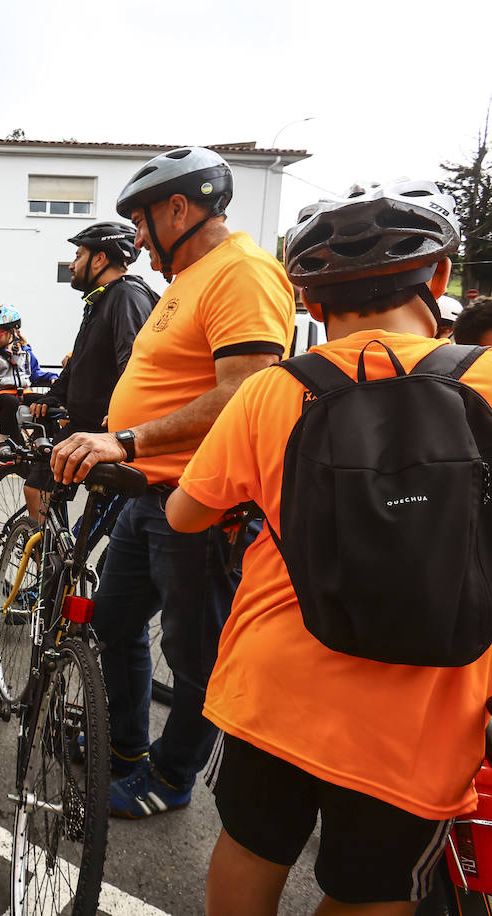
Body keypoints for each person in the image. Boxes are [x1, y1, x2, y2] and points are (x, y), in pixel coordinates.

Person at [167, 180, 485, 914]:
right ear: (438, 278)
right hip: (427, 706)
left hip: (277, 688)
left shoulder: (271, 392)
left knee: (252, 846)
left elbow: (186, 515)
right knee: (372, 890)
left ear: (312, 304)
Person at [49, 146, 295, 818]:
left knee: (195, 656)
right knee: (114, 624)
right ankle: (126, 748)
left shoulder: (241, 271)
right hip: (144, 495)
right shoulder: (187, 276)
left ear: (179, 208)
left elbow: (246, 390)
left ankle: (171, 775)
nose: (136, 238)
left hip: (196, 502)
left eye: (139, 221)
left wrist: (125, 438)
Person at [23, 221, 157, 513]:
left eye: (78, 255)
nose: (72, 265)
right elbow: (79, 361)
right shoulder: (99, 300)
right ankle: (53, 556)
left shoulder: (126, 295)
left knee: (42, 491)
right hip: (84, 425)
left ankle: (48, 558)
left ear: (100, 258)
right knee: (41, 489)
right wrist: (54, 395)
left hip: (103, 430)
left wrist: (125, 413)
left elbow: (133, 361)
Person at [0, 303, 59, 451]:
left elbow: (35, 374)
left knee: (47, 402)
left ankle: (41, 438)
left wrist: (52, 377)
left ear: (12, 332)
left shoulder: (25, 351)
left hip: (25, 392)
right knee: (11, 402)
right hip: (2, 393)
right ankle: (4, 440)